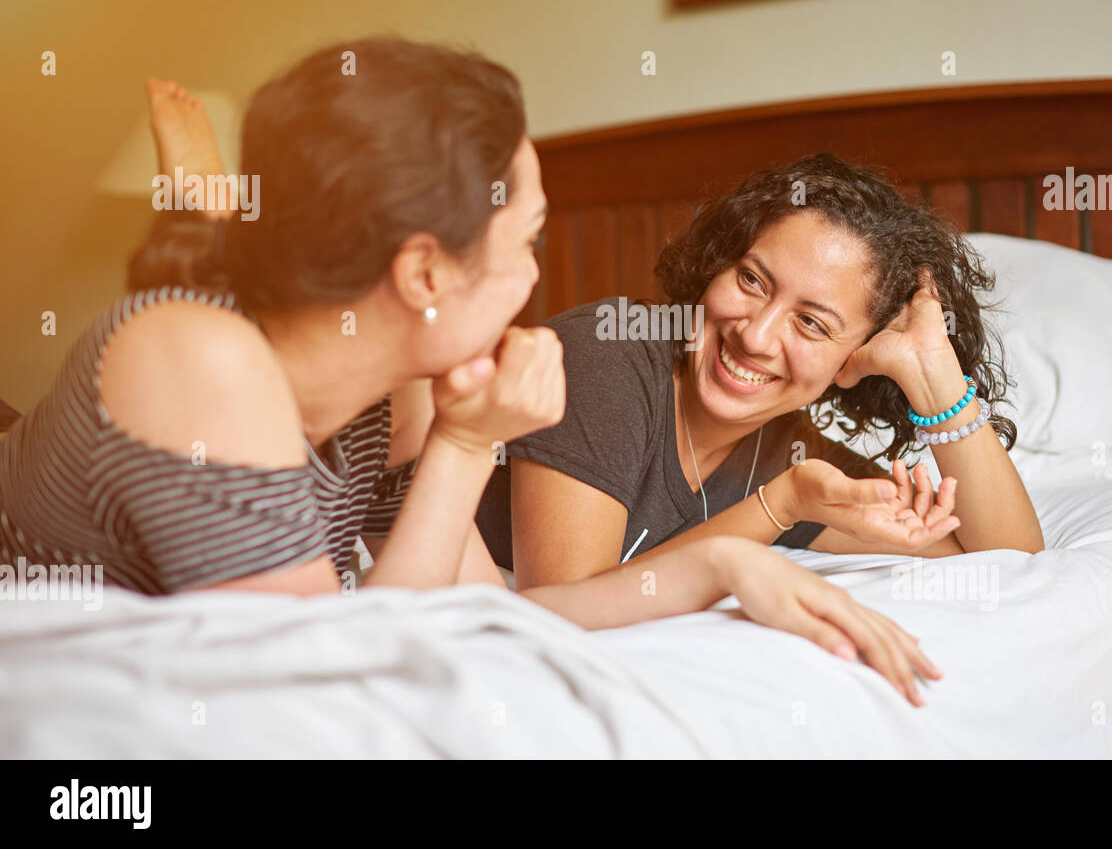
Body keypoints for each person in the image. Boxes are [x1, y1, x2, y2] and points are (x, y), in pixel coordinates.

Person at [0, 39, 942, 706]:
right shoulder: (200, 359)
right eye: (527, 241)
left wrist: (723, 564)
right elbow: (314, 683)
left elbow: (498, 614)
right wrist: (464, 444)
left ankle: (204, 211)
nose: (538, 280)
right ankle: (200, 209)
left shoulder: (393, 384)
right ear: (422, 273)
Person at [476, 154, 1044, 589]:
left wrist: (932, 371)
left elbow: (1011, 559)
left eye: (812, 324)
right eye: (752, 280)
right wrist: (780, 507)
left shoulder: (790, 456)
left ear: (855, 359)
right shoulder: (607, 353)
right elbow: (564, 607)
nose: (755, 334)